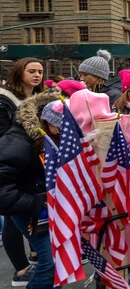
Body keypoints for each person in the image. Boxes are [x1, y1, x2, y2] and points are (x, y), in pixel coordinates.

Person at [0, 93, 61, 289]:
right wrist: (35, 203)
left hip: (45, 203)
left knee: (60, 258)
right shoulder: (17, 142)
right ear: (44, 122)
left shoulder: (49, 136)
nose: (64, 133)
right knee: (51, 261)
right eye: (60, 127)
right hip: (29, 205)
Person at [0, 58, 44, 287]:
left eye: (40, 71)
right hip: (13, 162)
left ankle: (35, 254)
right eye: (31, 71)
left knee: (32, 213)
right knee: (11, 217)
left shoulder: (40, 99)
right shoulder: (4, 99)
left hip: (35, 163)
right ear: (20, 72)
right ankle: (20, 269)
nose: (37, 75)